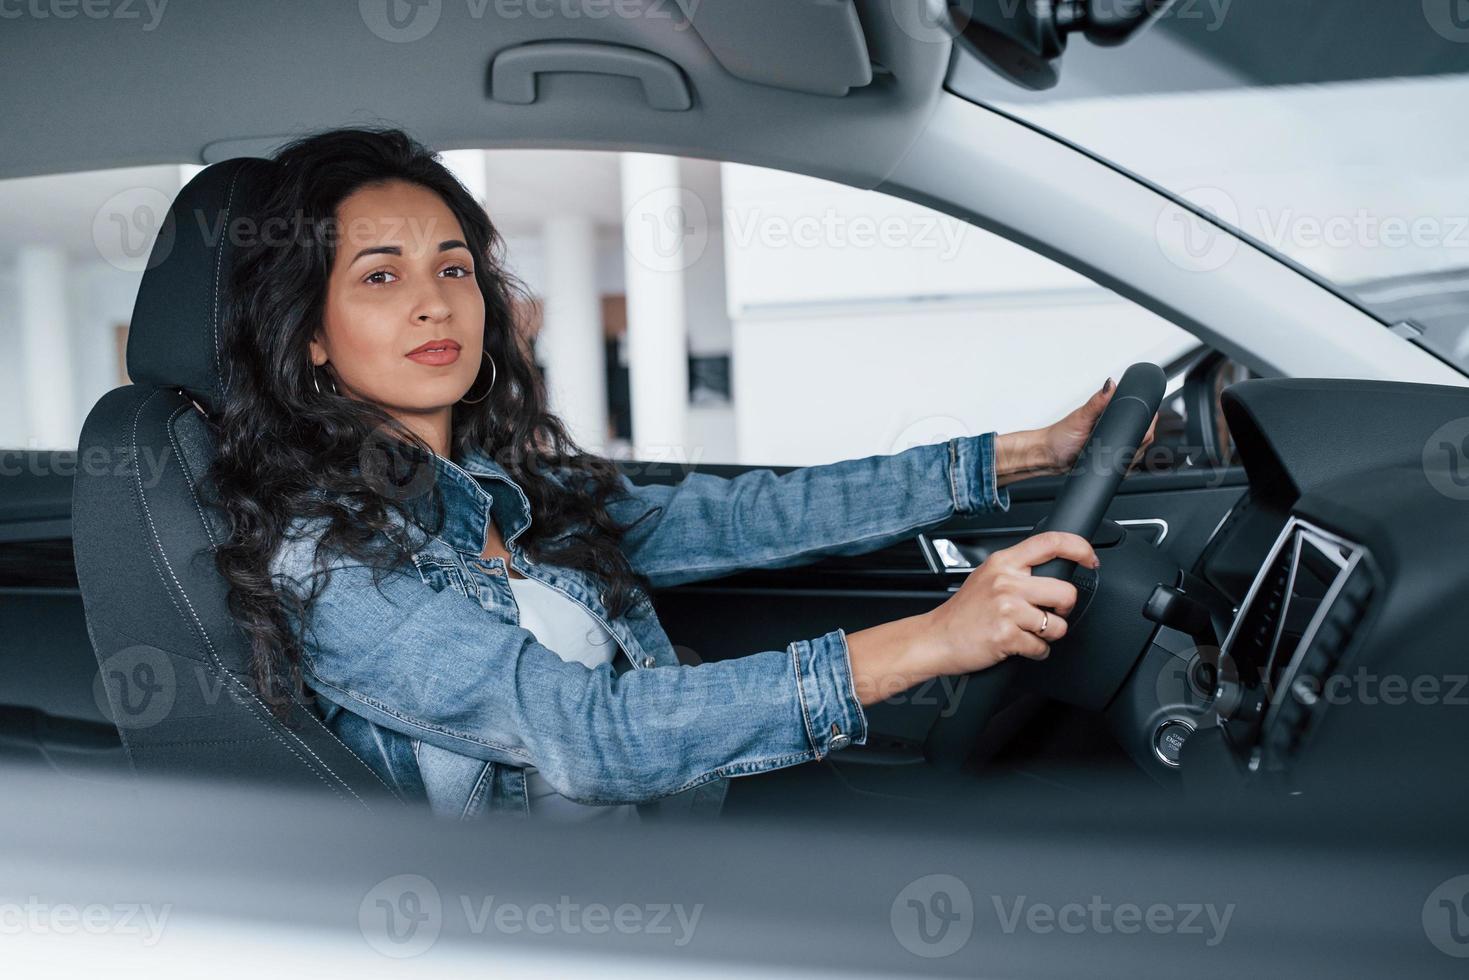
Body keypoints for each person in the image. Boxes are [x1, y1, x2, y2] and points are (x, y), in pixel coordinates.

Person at [211, 127, 1133, 823]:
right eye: (379, 277)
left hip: (665, 860)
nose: (432, 300)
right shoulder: (330, 565)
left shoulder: (511, 497)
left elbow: (753, 518)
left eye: (453, 267)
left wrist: (1030, 452)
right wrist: (930, 641)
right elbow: (587, 734)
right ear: (313, 338)